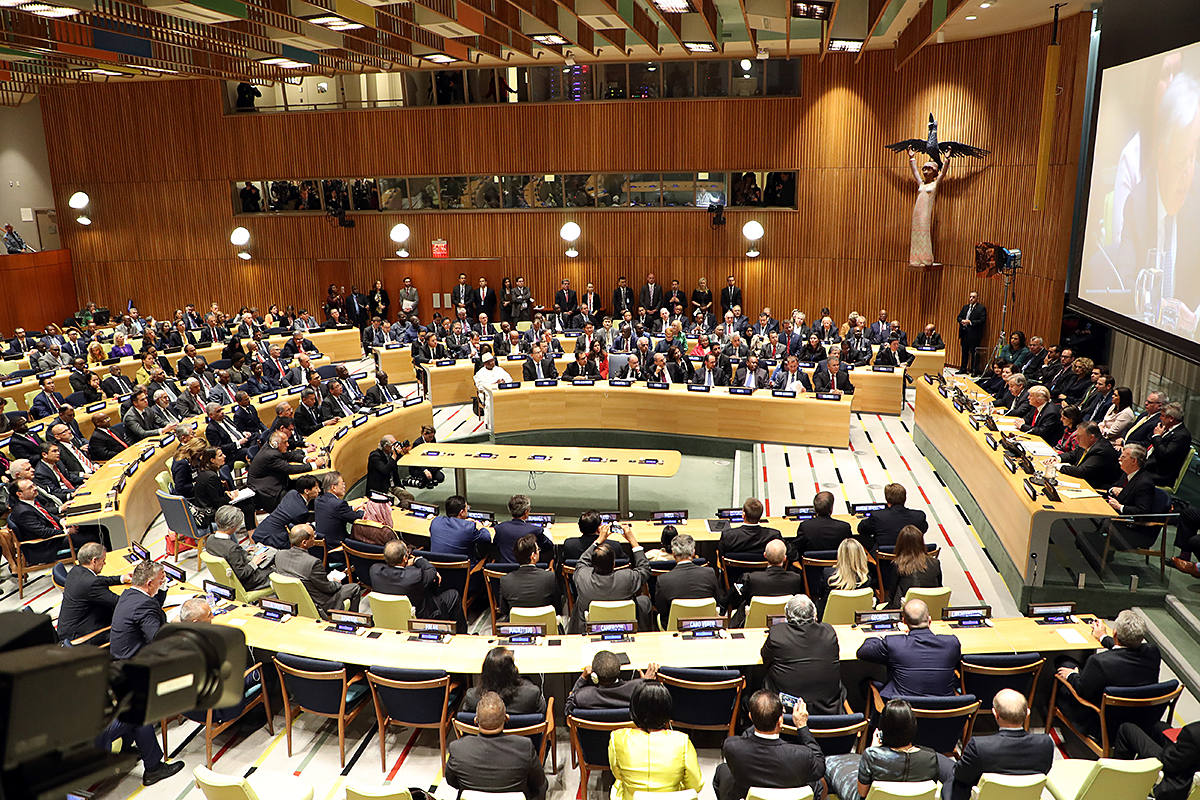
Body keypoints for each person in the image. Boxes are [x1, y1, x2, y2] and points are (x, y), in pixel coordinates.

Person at [97, 558, 187, 786]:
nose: (163, 582)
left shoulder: (129, 595)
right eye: (160, 580)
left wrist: (162, 591)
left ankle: (144, 758)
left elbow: (151, 610)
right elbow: (158, 639)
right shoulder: (144, 605)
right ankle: (154, 767)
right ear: (149, 583)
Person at [1054, 612, 1161, 736]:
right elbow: (1126, 649)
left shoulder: (1099, 662)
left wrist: (1072, 675)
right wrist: (1103, 637)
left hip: (1102, 723)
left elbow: (1082, 690)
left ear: (1114, 633)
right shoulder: (1153, 652)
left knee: (1064, 663)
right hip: (1141, 718)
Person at [714, 690, 825, 800]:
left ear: (750, 717)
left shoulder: (732, 747)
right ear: (780, 720)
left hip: (744, 793)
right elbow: (820, 765)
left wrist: (761, 717)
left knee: (722, 770)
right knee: (817, 782)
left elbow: (746, 737)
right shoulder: (801, 756)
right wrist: (802, 726)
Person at [826, 699, 945, 800]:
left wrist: (873, 749)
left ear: (884, 730)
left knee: (829, 764)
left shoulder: (872, 756)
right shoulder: (930, 757)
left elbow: (862, 793)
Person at [946, 689, 1053, 800]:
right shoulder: (1046, 744)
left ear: (995, 714)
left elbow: (962, 776)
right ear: (1027, 713)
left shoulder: (979, 746)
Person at [609, 681, 703, 800]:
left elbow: (618, 775)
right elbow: (696, 785)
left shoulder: (617, 737)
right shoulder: (681, 741)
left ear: (634, 709)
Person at [444, 691, 546, 800]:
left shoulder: (458, 749)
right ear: (506, 718)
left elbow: (452, 781)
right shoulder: (524, 746)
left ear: (476, 720)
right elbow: (538, 781)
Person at [856, 598, 961, 699]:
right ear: (929, 619)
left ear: (904, 621)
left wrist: (880, 637)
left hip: (904, 713)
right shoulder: (952, 643)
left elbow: (863, 652)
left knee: (866, 684)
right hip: (945, 711)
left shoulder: (894, 643)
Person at [760, 594, 847, 714]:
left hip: (788, 711)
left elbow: (766, 660)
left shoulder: (777, 633)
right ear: (814, 615)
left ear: (787, 616)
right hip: (826, 709)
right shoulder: (829, 632)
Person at [568, 522, 651, 634]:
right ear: (613, 564)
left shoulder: (583, 577)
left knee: (579, 602)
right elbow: (645, 569)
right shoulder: (627, 578)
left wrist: (599, 540)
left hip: (591, 629)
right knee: (644, 600)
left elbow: (582, 561)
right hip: (623, 626)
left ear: (592, 564)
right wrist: (632, 540)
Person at [370, 539, 466, 631]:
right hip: (419, 620)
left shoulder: (374, 571)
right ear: (404, 558)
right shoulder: (415, 576)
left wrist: (403, 564)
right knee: (453, 595)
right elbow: (431, 571)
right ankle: (463, 636)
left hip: (388, 617)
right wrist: (417, 560)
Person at [274, 524, 362, 613]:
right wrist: (336, 583)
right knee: (354, 588)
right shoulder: (313, 563)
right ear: (304, 542)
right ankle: (352, 621)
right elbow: (327, 588)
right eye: (313, 537)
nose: (315, 538)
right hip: (318, 602)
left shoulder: (279, 555)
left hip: (292, 600)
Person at [56, 541, 131, 643]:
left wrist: (121, 578)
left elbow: (98, 580)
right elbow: (119, 602)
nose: (104, 563)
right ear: (94, 561)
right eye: (103, 560)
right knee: (129, 617)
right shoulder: (91, 583)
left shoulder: (76, 570)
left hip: (68, 629)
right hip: (80, 637)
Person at [1111, 719, 1200, 800]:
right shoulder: (1193, 733)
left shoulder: (1193, 733)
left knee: (1126, 729)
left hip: (1174, 782)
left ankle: (1118, 784)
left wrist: (1174, 747)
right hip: (1192, 762)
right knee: (1158, 726)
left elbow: (1167, 761)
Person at [654, 533, 723, 629]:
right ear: (693, 552)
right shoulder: (709, 573)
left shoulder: (663, 580)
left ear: (673, 553)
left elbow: (663, 612)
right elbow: (718, 600)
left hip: (675, 629)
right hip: (706, 626)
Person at [732, 540, 804, 625]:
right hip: (783, 625)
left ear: (765, 555)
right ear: (785, 558)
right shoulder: (795, 579)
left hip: (753, 624)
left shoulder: (753, 578)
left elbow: (742, 597)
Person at [247, 430, 322, 511]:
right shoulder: (270, 455)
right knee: (305, 488)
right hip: (268, 491)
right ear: (276, 444)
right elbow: (289, 469)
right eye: (285, 442)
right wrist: (314, 465)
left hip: (276, 481)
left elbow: (287, 455)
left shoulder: (271, 447)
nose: (288, 445)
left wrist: (306, 459)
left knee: (309, 484)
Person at [1104, 443, 1160, 550]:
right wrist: (1113, 489)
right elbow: (1112, 487)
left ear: (1134, 461)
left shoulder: (1144, 483)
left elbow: (1143, 512)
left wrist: (1120, 507)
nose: (1119, 459)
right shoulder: (1127, 473)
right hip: (1119, 519)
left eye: (1123, 457)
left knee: (1103, 522)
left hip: (1134, 529)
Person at [205, 504, 273, 591]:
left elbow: (225, 554)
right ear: (233, 527)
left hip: (225, 579)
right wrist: (254, 562)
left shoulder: (210, 539)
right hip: (246, 582)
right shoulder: (232, 548)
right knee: (273, 571)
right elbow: (242, 573)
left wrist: (243, 551)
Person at [566, 650, 657, 714]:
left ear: (594, 676)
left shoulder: (582, 697)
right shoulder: (639, 689)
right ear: (619, 670)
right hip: (627, 740)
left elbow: (568, 708)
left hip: (593, 741)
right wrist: (647, 684)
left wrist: (583, 678)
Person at [461, 646, 547, 714]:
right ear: (512, 672)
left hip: (487, 736)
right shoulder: (531, 695)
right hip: (525, 736)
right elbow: (542, 711)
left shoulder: (472, 698)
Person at [253, 474, 320, 549]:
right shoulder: (302, 512)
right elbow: (298, 532)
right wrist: (311, 526)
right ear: (307, 491)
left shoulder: (292, 493)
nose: (319, 490)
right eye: (316, 488)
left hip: (262, 528)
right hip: (272, 537)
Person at [499, 533, 560, 615]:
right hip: (544, 625)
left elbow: (504, 610)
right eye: (538, 550)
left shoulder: (505, 580)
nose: (539, 552)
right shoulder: (549, 577)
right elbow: (557, 607)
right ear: (533, 555)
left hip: (518, 626)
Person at [857, 483, 928, 551]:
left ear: (886, 498)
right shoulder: (919, 516)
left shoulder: (878, 516)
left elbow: (861, 529)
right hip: (912, 558)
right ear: (905, 498)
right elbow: (923, 529)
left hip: (884, 559)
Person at [885, 526, 942, 608]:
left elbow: (892, 595)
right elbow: (939, 588)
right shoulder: (935, 563)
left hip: (906, 610)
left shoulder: (898, 564)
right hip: (931, 608)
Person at [1059, 421, 1123, 490]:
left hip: (1096, 489)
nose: (1076, 439)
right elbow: (1073, 454)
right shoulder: (1088, 442)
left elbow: (1081, 471)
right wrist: (1057, 458)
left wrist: (1058, 466)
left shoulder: (1101, 450)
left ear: (1091, 437)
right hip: (1084, 482)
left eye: (1079, 436)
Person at [493, 494, 553, 563]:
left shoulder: (500, 528)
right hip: (527, 572)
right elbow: (549, 546)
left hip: (504, 571)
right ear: (526, 512)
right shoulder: (535, 530)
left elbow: (496, 545)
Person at [430, 494, 492, 559]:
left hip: (436, 567)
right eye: (466, 508)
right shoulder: (469, 527)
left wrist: (463, 522)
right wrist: (481, 527)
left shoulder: (436, 521)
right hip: (462, 568)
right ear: (461, 512)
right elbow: (487, 539)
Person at [792, 491, 852, 557]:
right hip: (839, 566)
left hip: (812, 566)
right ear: (831, 509)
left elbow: (796, 548)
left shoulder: (805, 527)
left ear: (815, 509)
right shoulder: (844, 527)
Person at [1144, 402, 1192, 486]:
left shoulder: (1182, 436)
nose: (1160, 418)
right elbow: (1149, 439)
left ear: (1171, 418)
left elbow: (1164, 454)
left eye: (1162, 416)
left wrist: (1157, 436)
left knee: (1131, 471)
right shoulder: (1166, 428)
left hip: (1160, 474)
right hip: (1150, 464)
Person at [314, 471, 362, 550]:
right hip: (337, 548)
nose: (344, 486)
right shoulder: (339, 504)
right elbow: (357, 519)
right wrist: (360, 509)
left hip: (322, 546)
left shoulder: (318, 500)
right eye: (342, 484)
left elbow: (334, 511)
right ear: (333, 487)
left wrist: (353, 508)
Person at [956, 291, 987, 374]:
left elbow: (982, 321)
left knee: (974, 353)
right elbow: (959, 317)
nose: (971, 299)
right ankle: (963, 368)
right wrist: (961, 321)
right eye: (970, 297)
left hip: (974, 335)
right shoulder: (965, 307)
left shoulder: (981, 308)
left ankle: (974, 370)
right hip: (964, 333)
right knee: (964, 352)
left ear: (977, 298)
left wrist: (970, 322)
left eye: (973, 297)